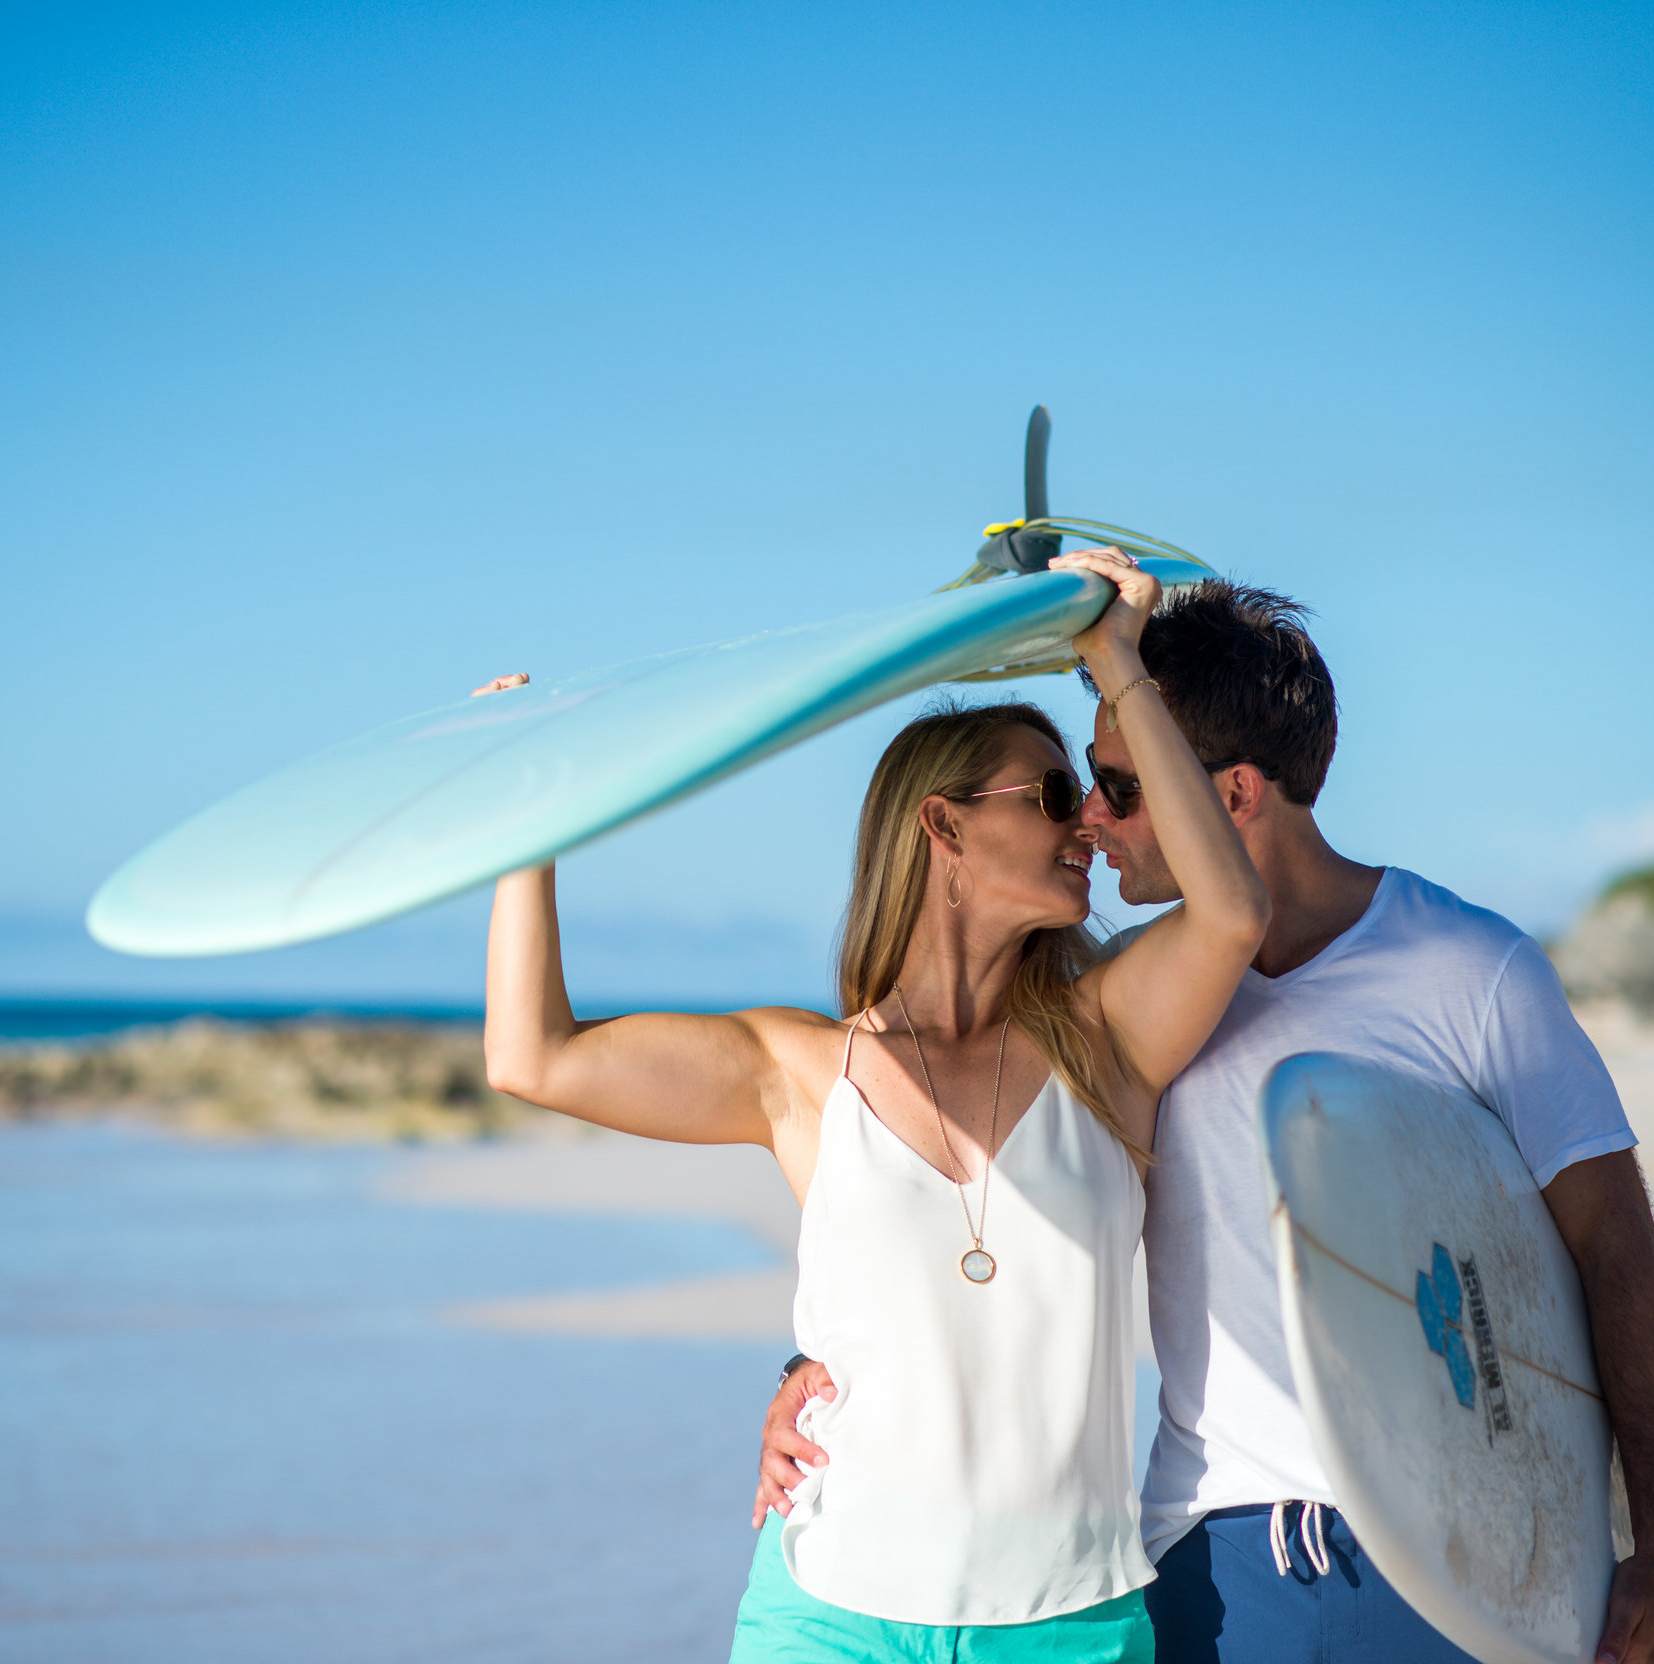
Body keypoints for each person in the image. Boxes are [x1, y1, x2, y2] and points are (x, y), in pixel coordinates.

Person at [756, 580, 1654, 1664]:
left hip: (1456, 1545)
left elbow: (1616, 1249)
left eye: (1115, 784)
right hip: (1209, 1551)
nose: (1091, 819)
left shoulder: (1468, 970)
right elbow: (961, 1221)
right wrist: (811, 1372)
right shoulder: (1111, 1016)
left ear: (1234, 791)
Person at [480, 549, 1269, 1663]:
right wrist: (530, 805)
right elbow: (533, 1056)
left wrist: (1116, 660)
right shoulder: (796, 1068)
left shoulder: (1107, 1042)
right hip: (828, 1608)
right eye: (1051, 794)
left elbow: (1231, 909)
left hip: (1067, 1624)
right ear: (943, 828)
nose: (1086, 823)